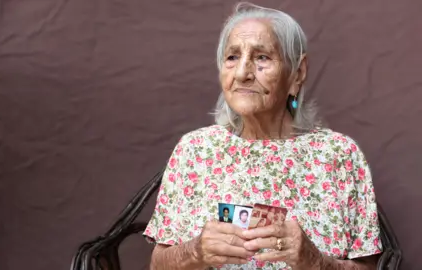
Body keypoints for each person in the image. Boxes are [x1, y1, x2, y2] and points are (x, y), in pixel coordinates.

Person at [143, 2, 382, 269]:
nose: (243, 73)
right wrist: (195, 251)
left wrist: (315, 261)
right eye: (232, 57)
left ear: (297, 73)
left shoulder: (339, 155)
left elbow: (368, 267)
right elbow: (157, 265)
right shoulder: (195, 150)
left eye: (261, 58)